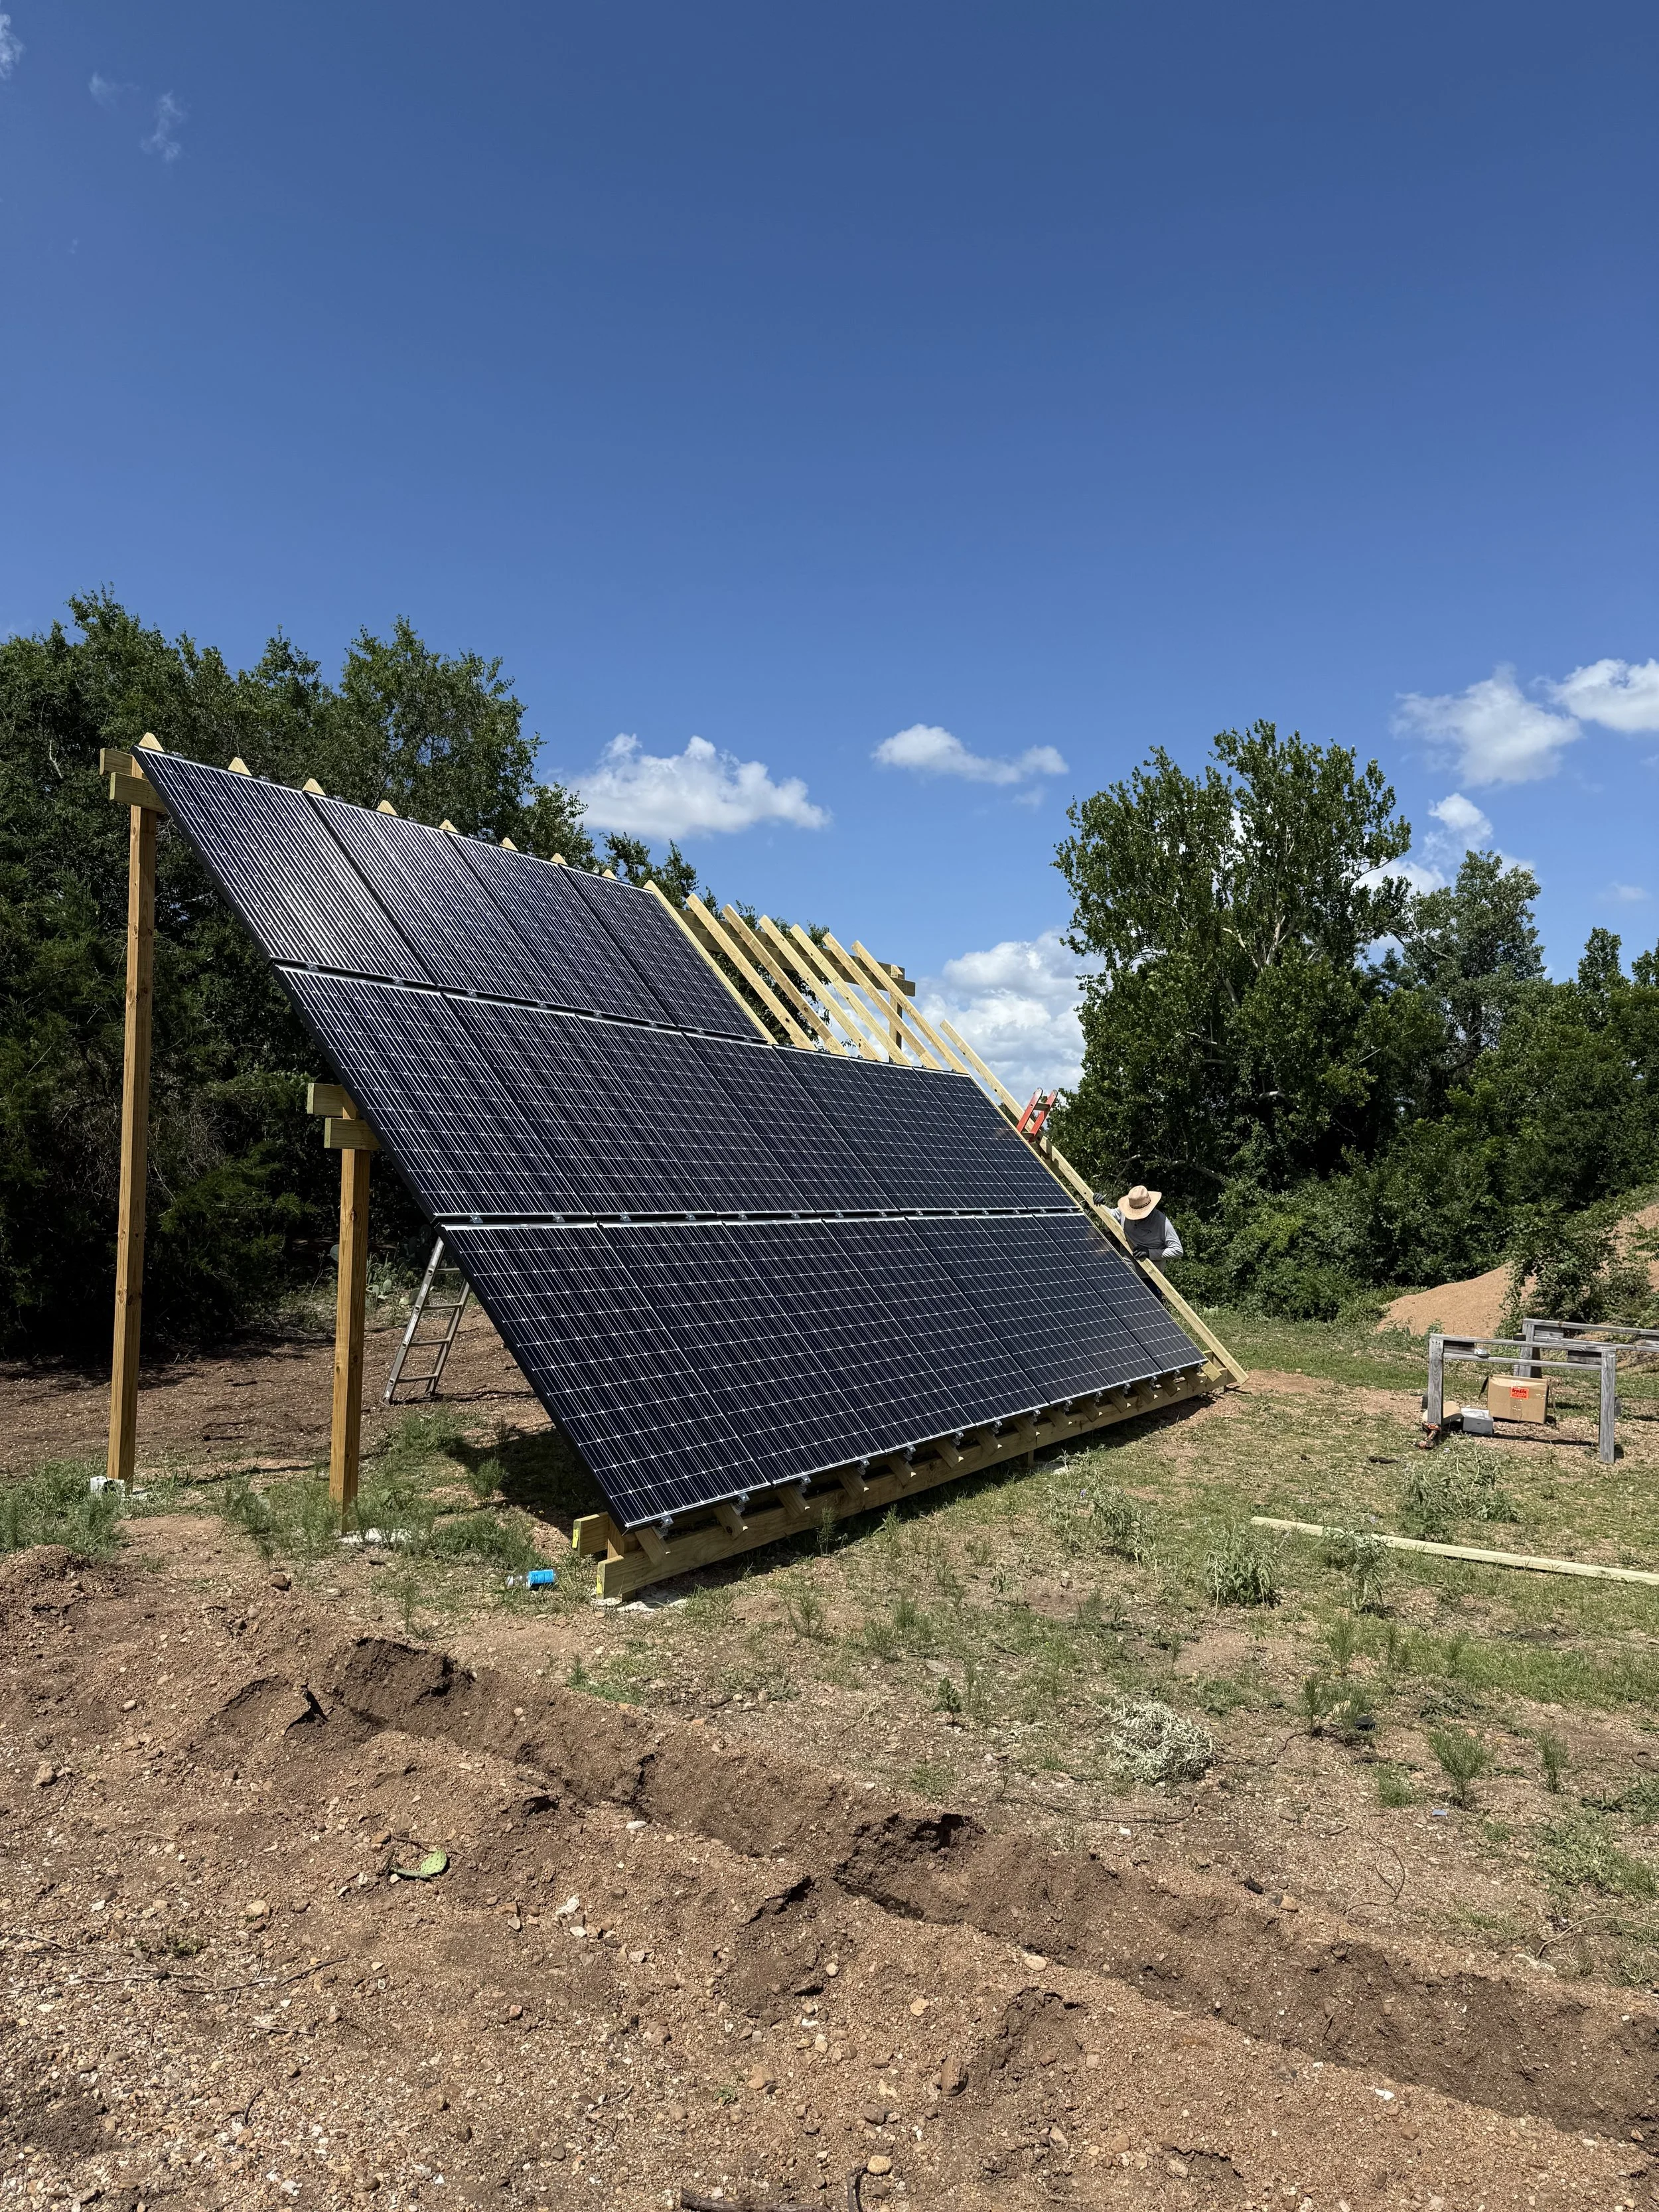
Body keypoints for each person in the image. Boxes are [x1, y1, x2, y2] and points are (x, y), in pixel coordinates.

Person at [1096, 1183, 1184, 1261]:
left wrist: (1149, 1253)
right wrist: (1099, 1204)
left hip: (1151, 1276)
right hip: (1127, 1269)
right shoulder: (1126, 1210)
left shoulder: (1162, 1223)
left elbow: (1177, 1250)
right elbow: (1111, 1215)